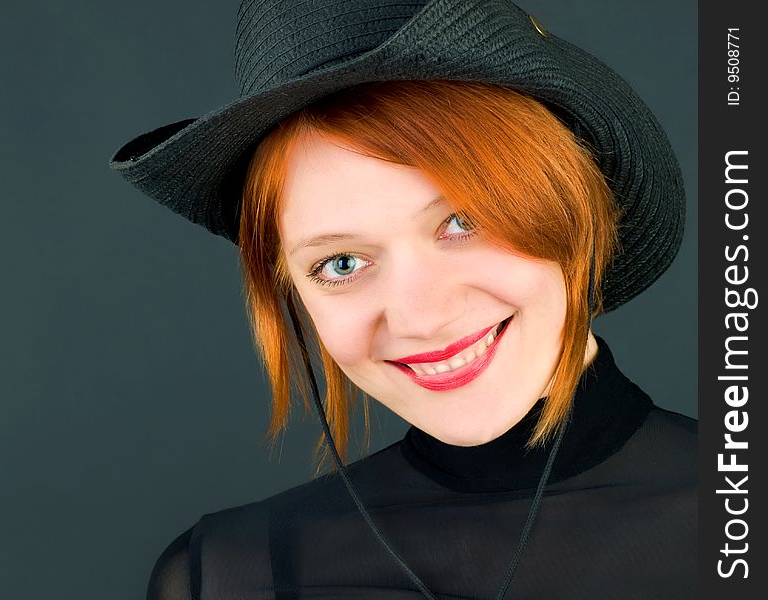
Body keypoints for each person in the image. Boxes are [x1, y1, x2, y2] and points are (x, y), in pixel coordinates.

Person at [110, 1, 696, 598]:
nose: (422, 317)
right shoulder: (223, 577)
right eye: (341, 264)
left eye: (464, 222)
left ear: (572, 208)